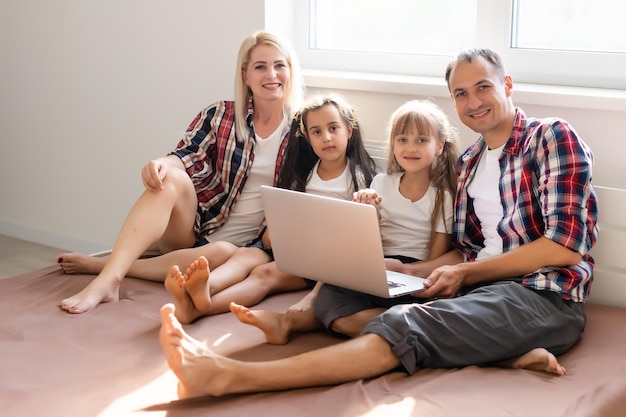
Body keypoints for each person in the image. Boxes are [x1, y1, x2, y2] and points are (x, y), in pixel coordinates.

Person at [158, 48, 598, 398]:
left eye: (483, 87)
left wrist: (464, 273)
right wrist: (410, 271)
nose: (473, 101)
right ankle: (503, 354)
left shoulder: (551, 137)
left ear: (506, 85)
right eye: (460, 93)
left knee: (406, 322)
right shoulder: (468, 162)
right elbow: (464, 250)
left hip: (542, 295)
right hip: (474, 287)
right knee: (335, 295)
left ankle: (229, 376)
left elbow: (565, 246)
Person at [56, 30, 305, 314]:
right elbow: (185, 156)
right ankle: (107, 281)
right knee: (169, 179)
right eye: (260, 67)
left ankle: (103, 264)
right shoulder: (219, 115)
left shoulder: (305, 130)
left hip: (246, 249)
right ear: (245, 75)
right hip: (196, 228)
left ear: (290, 70)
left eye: (279, 65)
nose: (271, 74)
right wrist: (163, 164)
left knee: (223, 251)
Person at [231, 99, 459, 344]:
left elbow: (434, 261)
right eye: (402, 140)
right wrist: (366, 211)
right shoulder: (382, 183)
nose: (410, 148)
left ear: (439, 146)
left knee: (339, 312)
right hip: (375, 265)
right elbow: (365, 240)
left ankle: (404, 327)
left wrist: (408, 273)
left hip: (411, 272)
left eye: (421, 140)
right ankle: (400, 328)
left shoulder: (441, 196)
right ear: (393, 144)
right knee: (330, 296)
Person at [163, 93, 378, 324]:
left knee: (264, 275)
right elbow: (286, 213)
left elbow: (360, 232)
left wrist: (369, 204)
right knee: (243, 255)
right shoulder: (304, 173)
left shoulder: (359, 179)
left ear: (349, 130)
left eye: (333, 128)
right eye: (316, 132)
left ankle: (200, 309)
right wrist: (272, 232)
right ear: (307, 137)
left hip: (324, 259)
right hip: (292, 247)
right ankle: (204, 288)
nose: (326, 138)